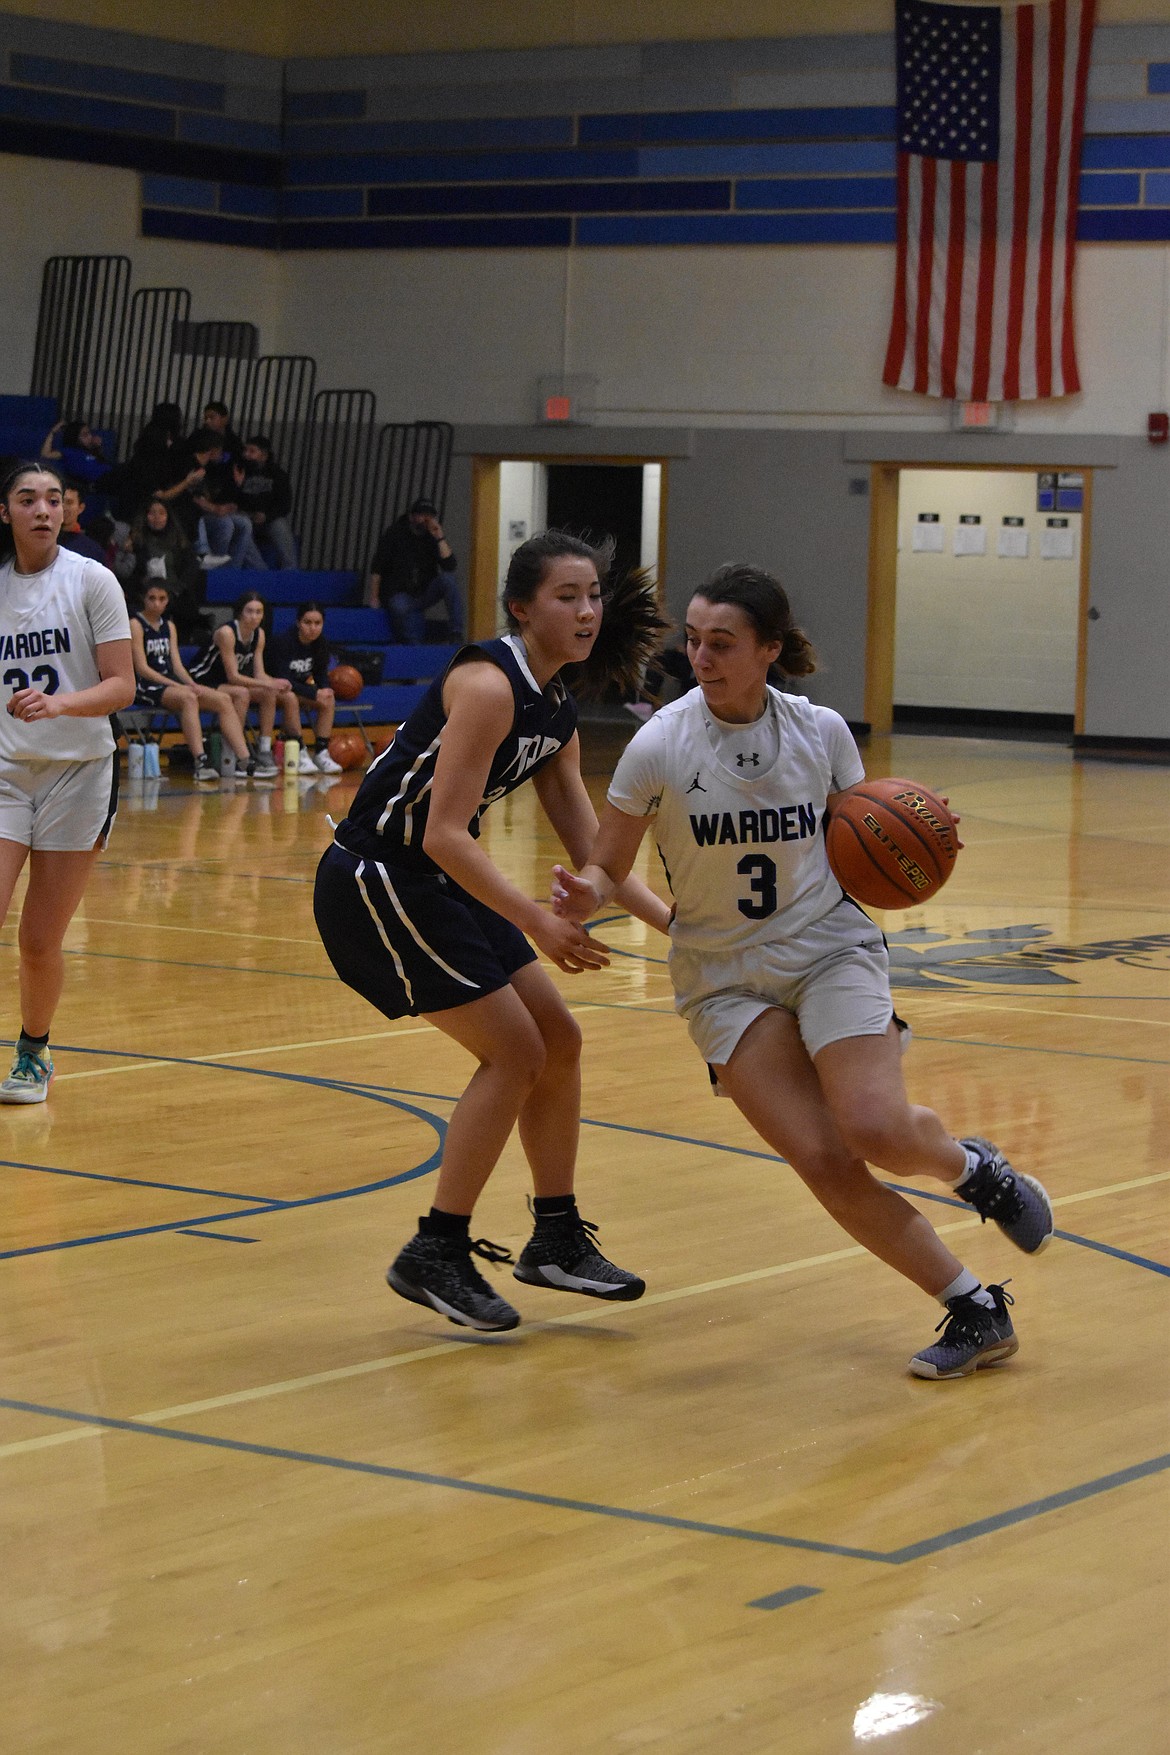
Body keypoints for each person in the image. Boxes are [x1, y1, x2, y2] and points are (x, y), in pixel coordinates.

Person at [553, 562, 1055, 1380]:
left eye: (722, 643)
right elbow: (607, 868)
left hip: (831, 948)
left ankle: (977, 1171)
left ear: (768, 650)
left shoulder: (821, 732)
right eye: (693, 641)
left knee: (876, 1128)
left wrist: (922, 830)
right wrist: (585, 893)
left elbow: (870, 834)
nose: (701, 657)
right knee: (825, 1160)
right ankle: (975, 1306)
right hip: (721, 979)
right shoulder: (660, 744)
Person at [315, 530, 670, 1331]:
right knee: (515, 1052)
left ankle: (555, 1239)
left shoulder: (557, 705)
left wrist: (680, 926)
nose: (586, 611)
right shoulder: (487, 682)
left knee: (559, 1039)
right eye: (566, 596)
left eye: (592, 596)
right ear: (522, 607)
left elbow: (593, 850)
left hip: (438, 881)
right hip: (380, 876)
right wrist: (540, 920)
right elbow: (443, 831)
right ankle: (435, 1249)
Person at [0, 460, 135, 1102]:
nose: (43, 510)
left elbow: (122, 685)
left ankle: (34, 1050)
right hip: (5, 773)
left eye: (53, 499)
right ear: (6, 513)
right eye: (28, 500)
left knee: (38, 939)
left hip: (79, 775)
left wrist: (59, 704)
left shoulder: (93, 581)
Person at [129, 581, 251, 783]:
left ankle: (244, 759)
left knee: (222, 698)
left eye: (162, 599)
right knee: (188, 698)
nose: (157, 603)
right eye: (152, 598)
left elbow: (176, 665)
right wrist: (179, 686)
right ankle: (200, 762)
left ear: (168, 601)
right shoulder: (136, 624)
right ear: (144, 599)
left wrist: (190, 683)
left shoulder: (169, 626)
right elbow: (142, 667)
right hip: (144, 684)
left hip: (171, 683)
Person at [186, 590, 286, 778]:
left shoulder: (259, 634)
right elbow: (233, 676)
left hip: (227, 683)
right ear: (240, 612)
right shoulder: (227, 633)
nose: (254, 616)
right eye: (250, 611)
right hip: (204, 680)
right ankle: (234, 752)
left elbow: (259, 673)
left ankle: (264, 749)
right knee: (241, 693)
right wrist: (267, 684)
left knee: (269, 694)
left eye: (259, 612)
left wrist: (275, 683)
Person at [364, 496, 463, 642]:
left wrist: (440, 538)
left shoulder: (431, 537)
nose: (426, 519)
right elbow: (377, 567)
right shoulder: (395, 534)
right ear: (412, 516)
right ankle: (413, 644)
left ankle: (456, 632)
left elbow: (450, 565)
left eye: (429, 515)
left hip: (424, 591)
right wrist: (374, 597)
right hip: (398, 592)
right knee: (399, 606)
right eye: (422, 515)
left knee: (448, 580)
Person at [265, 601, 343, 774]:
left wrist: (325, 688)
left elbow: (321, 672)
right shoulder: (283, 642)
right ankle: (299, 750)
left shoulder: (320, 643)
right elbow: (283, 678)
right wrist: (315, 692)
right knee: (290, 697)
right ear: (298, 622)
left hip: (298, 689)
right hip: (273, 689)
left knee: (328, 699)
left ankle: (322, 752)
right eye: (308, 623)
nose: (312, 628)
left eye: (317, 623)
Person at [124, 497, 203, 636]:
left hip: (175, 594)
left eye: (161, 513)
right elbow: (131, 573)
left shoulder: (179, 540)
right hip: (143, 595)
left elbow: (191, 567)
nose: (157, 517)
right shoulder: (136, 541)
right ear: (145, 516)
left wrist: (178, 589)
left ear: (168, 516)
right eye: (152, 513)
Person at [236, 437, 297, 570]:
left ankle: (290, 571)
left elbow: (284, 504)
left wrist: (266, 516)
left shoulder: (278, 475)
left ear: (264, 455)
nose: (246, 455)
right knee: (241, 526)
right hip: (245, 516)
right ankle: (261, 570)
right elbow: (231, 500)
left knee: (280, 526)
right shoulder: (239, 471)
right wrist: (238, 486)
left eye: (252, 451)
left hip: (268, 519)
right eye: (245, 450)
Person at [40, 419, 113, 486]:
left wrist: (98, 447)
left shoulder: (90, 450)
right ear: (75, 438)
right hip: (97, 480)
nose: (90, 437)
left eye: (89, 433)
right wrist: (53, 432)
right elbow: (46, 454)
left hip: (108, 474)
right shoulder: (68, 451)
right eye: (85, 435)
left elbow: (103, 462)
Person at [57, 486, 106, 564]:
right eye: (59, 502)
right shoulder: (39, 540)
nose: (63, 507)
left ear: (81, 508)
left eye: (69, 502)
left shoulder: (92, 551)